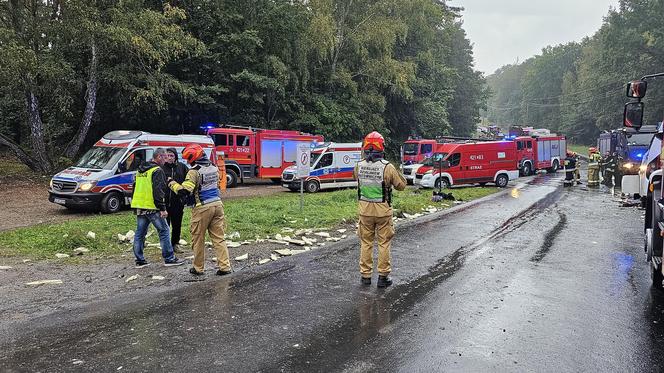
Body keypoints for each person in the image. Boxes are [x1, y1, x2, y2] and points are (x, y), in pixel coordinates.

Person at [168, 144, 232, 276]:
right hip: (217, 205)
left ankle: (198, 268)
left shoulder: (194, 171)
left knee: (198, 239)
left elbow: (184, 191)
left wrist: (171, 183)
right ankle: (225, 266)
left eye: (188, 159)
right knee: (219, 238)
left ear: (193, 158)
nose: (187, 162)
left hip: (202, 208)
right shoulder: (214, 167)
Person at [354, 131, 406, 288]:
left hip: (364, 211)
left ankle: (365, 277)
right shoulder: (387, 167)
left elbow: (356, 178)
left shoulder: (358, 166)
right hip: (383, 212)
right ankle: (383, 278)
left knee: (366, 242)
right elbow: (401, 186)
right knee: (384, 243)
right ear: (381, 147)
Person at [130, 148, 184, 268]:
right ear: (159, 157)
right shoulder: (157, 170)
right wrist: (162, 208)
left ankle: (139, 260)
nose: (166, 160)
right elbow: (158, 191)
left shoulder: (140, 170)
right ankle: (169, 258)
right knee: (164, 231)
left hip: (140, 205)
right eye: (164, 157)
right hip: (152, 206)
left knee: (140, 233)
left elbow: (135, 188)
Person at [162, 148, 188, 253]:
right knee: (165, 226)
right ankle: (166, 246)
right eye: (167, 155)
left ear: (175, 157)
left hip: (178, 202)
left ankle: (175, 244)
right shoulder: (161, 168)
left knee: (177, 224)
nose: (169, 158)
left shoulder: (182, 167)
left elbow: (188, 181)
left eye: (171, 155)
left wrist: (184, 197)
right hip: (165, 202)